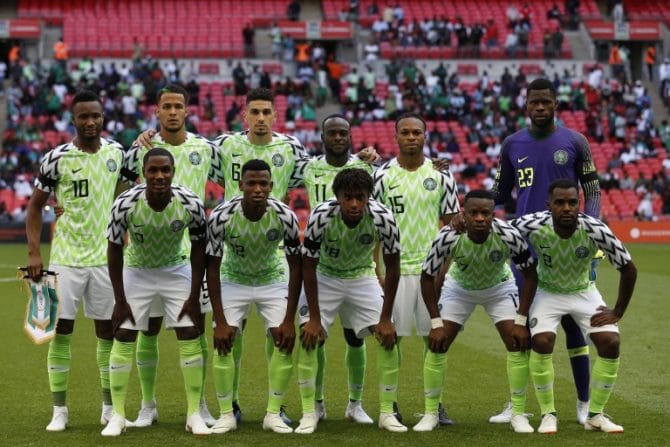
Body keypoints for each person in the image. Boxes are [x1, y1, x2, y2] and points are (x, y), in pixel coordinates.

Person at [488, 77, 601, 425]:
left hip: (569, 245)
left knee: (573, 326)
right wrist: (469, 209)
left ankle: (583, 404)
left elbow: (592, 191)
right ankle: (517, 404)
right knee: (521, 324)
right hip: (524, 248)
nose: (539, 107)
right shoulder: (512, 144)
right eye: (533, 102)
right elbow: (499, 192)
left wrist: (590, 232)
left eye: (545, 102)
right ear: (525, 105)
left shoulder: (575, 141)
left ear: (555, 105)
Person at [25, 90, 126, 431]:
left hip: (104, 259)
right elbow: (35, 206)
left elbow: (125, 193)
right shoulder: (56, 158)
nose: (90, 121)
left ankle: (109, 406)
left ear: (103, 116)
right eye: (83, 116)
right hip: (66, 258)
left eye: (95, 115)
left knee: (107, 333)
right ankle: (60, 410)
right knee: (60, 332)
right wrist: (35, 252)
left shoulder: (117, 152)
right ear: (74, 119)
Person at [123, 84, 223, 428]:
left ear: (187, 110)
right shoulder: (141, 149)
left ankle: (201, 404)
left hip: (190, 257)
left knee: (195, 331)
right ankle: (147, 405)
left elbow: (236, 184)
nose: (173, 112)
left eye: (178, 106)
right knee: (147, 331)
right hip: (146, 255)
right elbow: (119, 190)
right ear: (157, 110)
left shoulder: (206, 149)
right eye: (166, 106)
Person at [513, 179, 637, 434]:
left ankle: (595, 415)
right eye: (560, 203)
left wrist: (617, 312)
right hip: (547, 292)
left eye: (572, 202)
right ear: (549, 205)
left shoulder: (594, 228)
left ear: (579, 204)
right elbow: (500, 231)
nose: (567, 208)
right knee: (543, 341)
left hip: (583, 292)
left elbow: (628, 268)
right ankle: (548, 414)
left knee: (610, 342)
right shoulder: (532, 223)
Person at [102, 148, 210, 436]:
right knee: (124, 333)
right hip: (137, 271)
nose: (160, 176)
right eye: (153, 170)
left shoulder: (190, 202)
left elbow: (200, 247)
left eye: (165, 170)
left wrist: (193, 293)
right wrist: (120, 300)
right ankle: (119, 415)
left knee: (189, 332)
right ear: (144, 172)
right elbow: (114, 250)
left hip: (176, 270)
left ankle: (193, 414)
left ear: (173, 172)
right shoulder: (125, 203)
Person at [413, 190, 537, 432]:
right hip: (459, 288)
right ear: (464, 214)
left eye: (485, 213)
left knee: (517, 341)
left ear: (494, 214)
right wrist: (436, 324)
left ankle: (518, 413)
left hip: (499, 287)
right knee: (437, 343)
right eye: (474, 213)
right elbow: (427, 278)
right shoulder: (448, 236)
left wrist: (521, 320)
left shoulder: (509, 234)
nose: (480, 218)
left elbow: (531, 276)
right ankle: (431, 414)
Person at [295, 168, 405, 433]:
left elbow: (393, 268)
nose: (354, 204)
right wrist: (314, 318)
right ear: (338, 197)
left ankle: (381, 411)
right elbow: (307, 266)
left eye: (360, 197)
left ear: (369, 196)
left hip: (361, 275)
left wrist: (386, 318)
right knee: (310, 337)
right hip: (325, 275)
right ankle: (312, 411)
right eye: (348, 197)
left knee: (389, 337)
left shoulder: (383, 217)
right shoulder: (321, 215)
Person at [373, 112, 460, 424]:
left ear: (425, 136)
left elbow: (453, 227)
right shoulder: (381, 177)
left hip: (429, 272)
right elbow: (372, 227)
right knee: (388, 338)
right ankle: (389, 404)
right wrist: (376, 270)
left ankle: (434, 406)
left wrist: (443, 271)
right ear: (396, 137)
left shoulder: (441, 176)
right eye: (405, 133)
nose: (411, 137)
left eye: (416, 133)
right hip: (394, 272)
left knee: (434, 339)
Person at [206, 159, 302, 434]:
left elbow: (296, 267)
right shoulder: (222, 215)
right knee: (223, 341)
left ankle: (273, 414)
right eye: (252, 183)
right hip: (233, 278)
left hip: (271, 278)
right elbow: (211, 268)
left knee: (283, 340)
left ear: (271, 186)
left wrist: (288, 319)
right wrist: (221, 321)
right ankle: (226, 414)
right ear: (241, 185)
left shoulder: (285, 216)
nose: (257, 189)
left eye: (263, 184)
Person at [294, 115, 374, 422]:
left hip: (357, 266)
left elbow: (376, 216)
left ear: (351, 136)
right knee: (315, 336)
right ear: (323, 136)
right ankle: (316, 403)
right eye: (332, 133)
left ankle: (355, 404)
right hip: (321, 265)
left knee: (356, 337)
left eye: (343, 133)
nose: (338, 137)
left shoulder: (367, 168)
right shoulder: (308, 167)